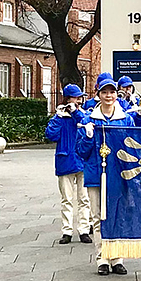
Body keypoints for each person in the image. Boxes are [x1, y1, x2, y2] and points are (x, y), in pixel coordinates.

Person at [77, 77, 134, 276]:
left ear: (116, 95)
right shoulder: (88, 119)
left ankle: (117, 258)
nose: (108, 96)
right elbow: (81, 152)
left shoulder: (125, 118)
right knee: (98, 218)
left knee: (117, 217)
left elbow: (132, 147)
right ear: (98, 95)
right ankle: (102, 259)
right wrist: (88, 136)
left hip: (118, 175)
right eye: (104, 92)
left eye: (111, 92)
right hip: (96, 175)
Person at [45, 84, 93, 245]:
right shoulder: (59, 118)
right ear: (67, 98)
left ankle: (84, 230)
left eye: (80, 98)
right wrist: (60, 116)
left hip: (82, 160)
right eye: (76, 97)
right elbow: (50, 135)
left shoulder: (83, 114)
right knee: (67, 198)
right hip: (65, 161)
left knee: (84, 198)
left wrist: (76, 112)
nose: (79, 100)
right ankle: (66, 231)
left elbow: (87, 123)